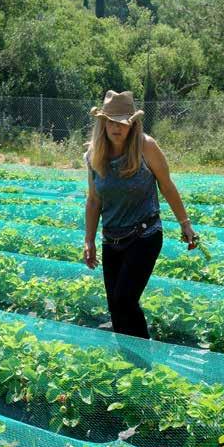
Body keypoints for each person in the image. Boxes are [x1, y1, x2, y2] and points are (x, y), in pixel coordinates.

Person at [83, 90, 198, 339]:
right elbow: (94, 200)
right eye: (111, 122)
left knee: (125, 299)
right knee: (115, 306)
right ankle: (127, 366)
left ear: (132, 123)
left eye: (123, 122)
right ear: (103, 123)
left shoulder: (145, 146)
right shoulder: (94, 154)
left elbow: (166, 185)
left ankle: (143, 365)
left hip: (144, 235)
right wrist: (89, 240)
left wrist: (185, 224)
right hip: (111, 239)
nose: (117, 128)